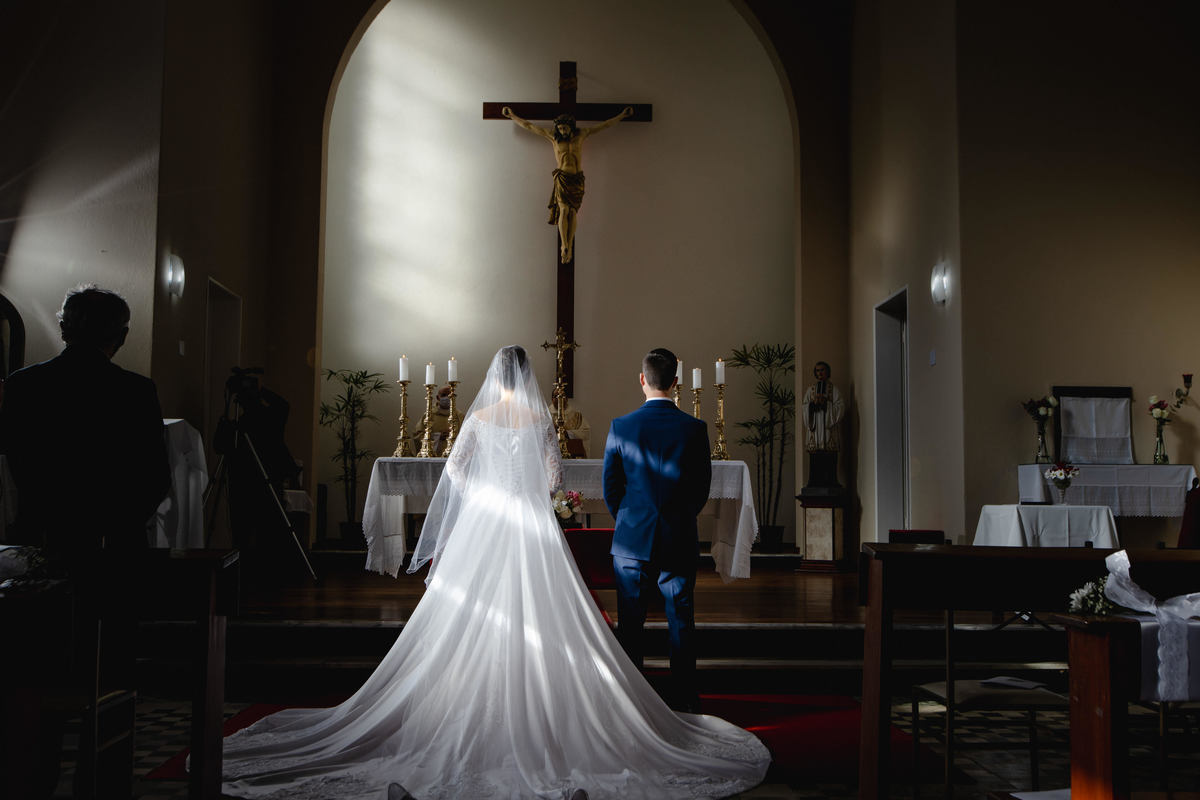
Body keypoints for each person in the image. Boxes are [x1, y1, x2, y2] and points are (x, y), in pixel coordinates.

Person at [222, 346, 768, 799]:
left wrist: (484, 500)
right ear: (528, 378)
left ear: (493, 379)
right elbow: (554, 481)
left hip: (487, 525)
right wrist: (531, 493)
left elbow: (455, 473)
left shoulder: (478, 419)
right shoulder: (541, 419)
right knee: (549, 614)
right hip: (533, 526)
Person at [0, 284, 170, 798]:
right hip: (112, 550)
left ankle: (31, 778)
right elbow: (153, 477)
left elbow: (13, 464)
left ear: (63, 327)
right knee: (113, 670)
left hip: (43, 546)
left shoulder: (24, 385)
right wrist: (115, 525)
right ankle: (105, 778)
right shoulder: (135, 390)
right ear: (119, 336)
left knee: (35, 673)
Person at [602, 348, 711, 713]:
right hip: (678, 535)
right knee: (681, 618)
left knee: (631, 622)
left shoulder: (621, 426)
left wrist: (632, 519)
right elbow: (701, 489)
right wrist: (677, 518)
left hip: (633, 539)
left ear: (641, 379)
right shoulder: (695, 429)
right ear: (676, 382)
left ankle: (634, 702)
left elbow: (611, 488)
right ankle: (684, 699)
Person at [502, 105, 633, 263]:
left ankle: (569, 244)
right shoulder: (552, 136)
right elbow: (530, 126)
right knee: (564, 210)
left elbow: (604, 125)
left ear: (571, 126)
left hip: (577, 179)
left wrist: (621, 116)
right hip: (563, 177)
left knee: (573, 212)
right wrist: (513, 116)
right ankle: (564, 245)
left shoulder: (581, 135)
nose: (562, 131)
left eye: (565, 128)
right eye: (560, 128)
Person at [801, 360, 844, 488]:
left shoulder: (834, 390)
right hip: (815, 428)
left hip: (827, 429)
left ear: (827, 372)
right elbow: (804, 407)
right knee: (815, 458)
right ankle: (814, 482)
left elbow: (840, 407)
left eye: (822, 370)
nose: (820, 373)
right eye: (818, 371)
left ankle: (831, 481)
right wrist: (812, 406)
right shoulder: (811, 390)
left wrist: (826, 404)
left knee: (830, 457)